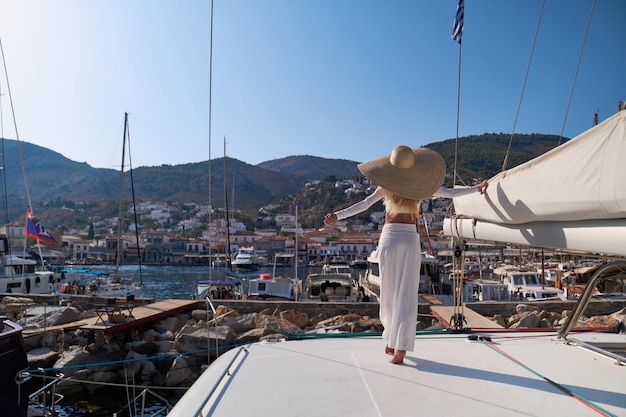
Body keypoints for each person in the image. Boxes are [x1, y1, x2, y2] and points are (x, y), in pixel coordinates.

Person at [324, 145, 487, 364]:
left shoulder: (386, 186)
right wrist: (476, 188)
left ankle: (392, 341)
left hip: (389, 238)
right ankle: (399, 345)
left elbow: (364, 205)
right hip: (409, 239)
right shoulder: (420, 187)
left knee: (389, 292)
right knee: (406, 293)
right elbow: (450, 193)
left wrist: (338, 215)